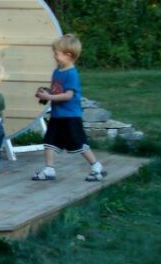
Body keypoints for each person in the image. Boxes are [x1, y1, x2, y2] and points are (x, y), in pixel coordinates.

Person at [32, 34, 107, 182]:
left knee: (78, 143)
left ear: (68, 55)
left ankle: (96, 166)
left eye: (57, 53)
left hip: (70, 116)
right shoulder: (57, 72)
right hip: (57, 115)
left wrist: (50, 97)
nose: (54, 56)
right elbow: (57, 90)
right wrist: (46, 93)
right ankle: (49, 169)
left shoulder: (72, 74)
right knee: (49, 141)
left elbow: (68, 95)